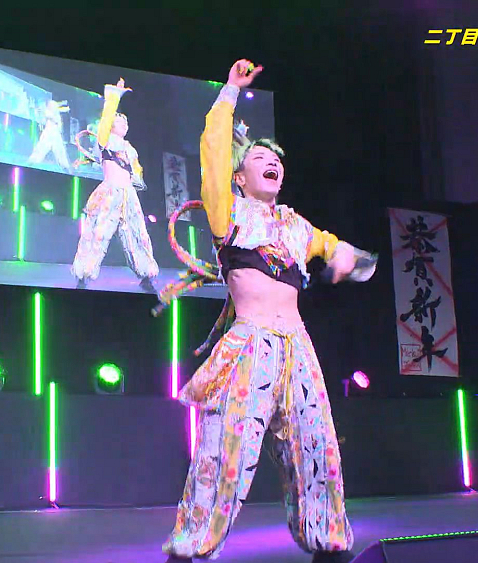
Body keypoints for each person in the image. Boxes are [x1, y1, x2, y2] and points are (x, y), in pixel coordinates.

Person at [160, 60, 377, 563]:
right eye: (259, 157)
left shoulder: (297, 226)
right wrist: (230, 91)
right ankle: (190, 548)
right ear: (240, 177)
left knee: (317, 445)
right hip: (249, 344)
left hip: (298, 348)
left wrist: (346, 256)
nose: (271, 162)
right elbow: (214, 151)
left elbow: (334, 247)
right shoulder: (228, 213)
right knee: (225, 451)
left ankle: (328, 542)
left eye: (276, 159)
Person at [71, 79, 160, 292]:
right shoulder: (105, 140)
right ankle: (83, 274)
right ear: (111, 125)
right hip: (110, 192)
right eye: (120, 123)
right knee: (97, 233)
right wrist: (114, 96)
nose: (125, 126)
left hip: (129, 196)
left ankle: (146, 274)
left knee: (137, 234)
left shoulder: (130, 148)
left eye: (126, 123)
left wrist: (137, 176)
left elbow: (136, 172)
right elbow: (105, 120)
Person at [28, 98, 72, 172]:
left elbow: (60, 109)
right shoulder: (48, 112)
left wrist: (64, 105)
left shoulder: (55, 112)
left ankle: (65, 166)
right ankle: (32, 162)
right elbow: (50, 114)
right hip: (49, 132)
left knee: (60, 150)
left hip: (56, 133)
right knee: (41, 147)